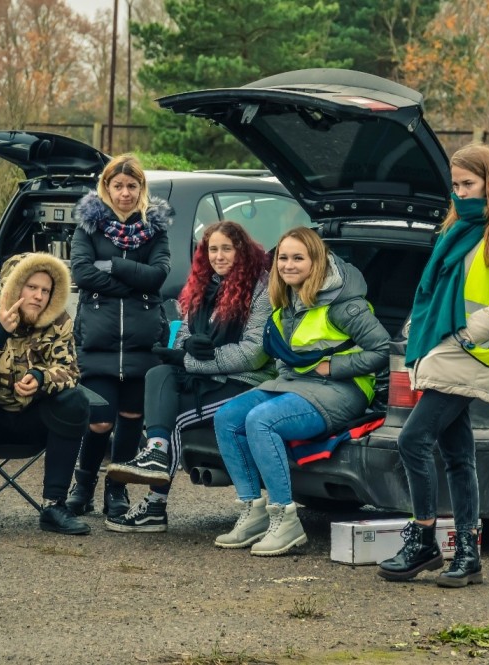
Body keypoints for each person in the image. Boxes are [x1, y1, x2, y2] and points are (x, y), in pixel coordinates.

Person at [377, 143, 489, 587]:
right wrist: (420, 331)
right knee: (456, 454)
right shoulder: (455, 230)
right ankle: (468, 553)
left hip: (469, 353)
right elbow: (430, 293)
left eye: (468, 184)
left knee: (412, 440)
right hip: (444, 349)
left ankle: (424, 537)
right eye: (455, 185)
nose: (460, 193)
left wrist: (463, 336)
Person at [212, 226, 390, 556]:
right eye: (283, 258)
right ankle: (254, 511)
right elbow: (285, 353)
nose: (289, 265)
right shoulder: (286, 300)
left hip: (342, 389)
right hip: (296, 385)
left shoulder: (343, 303)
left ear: (317, 262)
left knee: (261, 421)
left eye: (298, 258)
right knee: (227, 417)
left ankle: (286, 519)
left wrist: (332, 367)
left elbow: (382, 350)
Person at [104, 221, 276, 532]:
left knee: (177, 418)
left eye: (227, 248)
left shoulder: (261, 289)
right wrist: (187, 347)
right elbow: (183, 333)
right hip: (207, 380)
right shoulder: (204, 284)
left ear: (242, 251)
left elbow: (254, 353)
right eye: (212, 249)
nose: (219, 256)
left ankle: (155, 505)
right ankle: (156, 451)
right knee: (159, 372)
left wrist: (190, 361)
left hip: (246, 382)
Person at [0, 252, 93, 536]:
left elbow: (70, 372)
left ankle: (54, 505)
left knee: (75, 401)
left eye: (45, 290)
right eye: (31, 287)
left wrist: (41, 377)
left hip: (36, 421)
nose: (38, 296)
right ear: (13, 287)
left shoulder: (58, 321)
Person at [65, 154, 173, 520]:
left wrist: (112, 266)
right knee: (98, 421)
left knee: (130, 416)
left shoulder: (155, 230)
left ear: (141, 189)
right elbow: (81, 272)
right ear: (106, 188)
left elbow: (158, 276)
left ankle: (117, 487)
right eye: (118, 186)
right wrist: (132, 280)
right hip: (98, 344)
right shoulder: (88, 229)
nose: (125, 193)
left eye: (132, 186)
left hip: (143, 345)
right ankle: (83, 485)